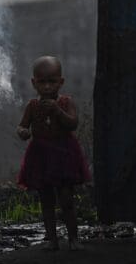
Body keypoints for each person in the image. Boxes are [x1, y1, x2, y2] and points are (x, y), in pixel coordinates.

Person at [17, 56, 91, 251]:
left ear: (61, 82)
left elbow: (72, 124)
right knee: (46, 199)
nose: (47, 87)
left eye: (52, 81)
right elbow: (23, 126)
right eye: (42, 82)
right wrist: (23, 132)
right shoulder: (33, 106)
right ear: (34, 83)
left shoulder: (66, 102)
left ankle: (74, 238)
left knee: (66, 198)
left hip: (63, 153)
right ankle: (51, 239)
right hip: (41, 155)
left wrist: (57, 110)